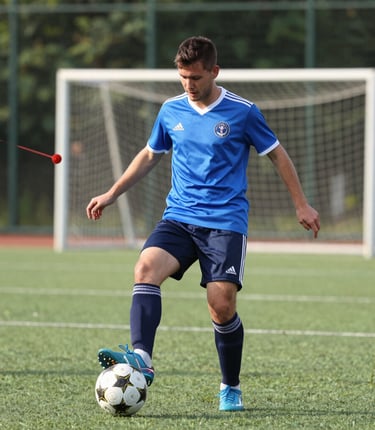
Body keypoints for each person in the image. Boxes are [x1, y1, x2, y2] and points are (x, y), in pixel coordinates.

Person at [86, 36, 320, 411]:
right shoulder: (170, 110)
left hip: (225, 222)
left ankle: (231, 386)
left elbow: (277, 155)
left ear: (214, 71)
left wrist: (301, 203)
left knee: (221, 304)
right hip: (179, 217)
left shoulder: (242, 112)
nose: (188, 84)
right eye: (182, 76)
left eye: (195, 77)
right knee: (145, 267)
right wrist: (112, 193)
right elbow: (150, 154)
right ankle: (142, 359)